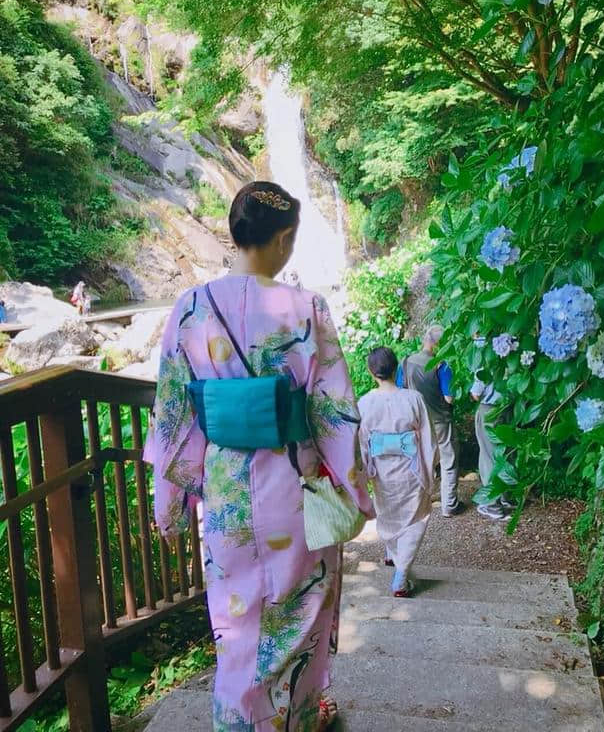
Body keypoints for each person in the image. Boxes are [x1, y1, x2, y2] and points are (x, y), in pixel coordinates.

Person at [145, 181, 374, 732]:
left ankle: (238, 721)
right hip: (291, 485)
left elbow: (173, 415)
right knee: (300, 613)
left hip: (225, 490)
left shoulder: (192, 308)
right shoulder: (306, 309)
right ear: (285, 237)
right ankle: (296, 718)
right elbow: (333, 413)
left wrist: (169, 502)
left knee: (236, 621)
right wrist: (354, 493)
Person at [358, 347, 437, 598]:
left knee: (389, 519)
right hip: (412, 469)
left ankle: (398, 561)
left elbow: (362, 443)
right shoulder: (413, 399)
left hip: (382, 472)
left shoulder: (365, 402)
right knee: (416, 519)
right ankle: (402, 572)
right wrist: (430, 467)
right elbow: (428, 438)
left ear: (372, 372)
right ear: (397, 369)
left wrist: (366, 470)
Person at [400, 325, 464, 517]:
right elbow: (449, 398)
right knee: (448, 460)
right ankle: (449, 505)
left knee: (420, 460)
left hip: (416, 422)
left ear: (424, 340)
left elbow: (400, 391)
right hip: (440, 421)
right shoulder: (441, 365)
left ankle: (418, 503)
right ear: (438, 344)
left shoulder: (405, 362)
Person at [470, 373, 514, 521]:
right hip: (507, 409)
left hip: (489, 411)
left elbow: (476, 394)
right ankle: (506, 497)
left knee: (489, 457)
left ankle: (492, 505)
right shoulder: (511, 355)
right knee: (506, 453)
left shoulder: (485, 363)